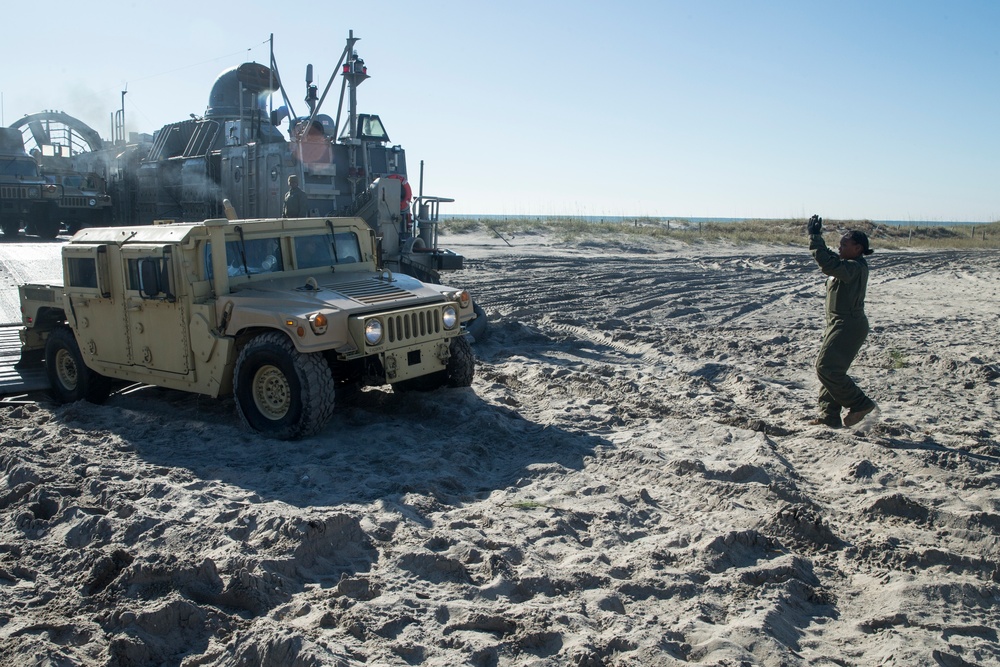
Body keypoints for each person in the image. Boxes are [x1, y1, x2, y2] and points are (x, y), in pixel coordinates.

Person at [807, 215, 878, 428]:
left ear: (858, 248)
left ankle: (860, 404)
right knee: (832, 370)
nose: (839, 247)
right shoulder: (849, 264)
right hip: (839, 324)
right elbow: (832, 259)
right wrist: (819, 241)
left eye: (844, 245)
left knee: (826, 368)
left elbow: (828, 263)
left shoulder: (854, 268)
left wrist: (815, 237)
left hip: (848, 326)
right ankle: (829, 415)